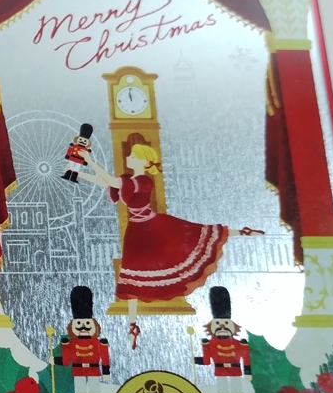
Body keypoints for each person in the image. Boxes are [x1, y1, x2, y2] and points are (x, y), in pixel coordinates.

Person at [72, 143, 261, 348]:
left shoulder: (143, 181)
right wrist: (78, 174)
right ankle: (133, 325)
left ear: (143, 161)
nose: (128, 158)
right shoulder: (128, 179)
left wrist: (89, 160)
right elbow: (105, 182)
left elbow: (110, 180)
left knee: (193, 233)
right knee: (131, 273)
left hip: (152, 226)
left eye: (133, 156)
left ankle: (241, 231)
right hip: (136, 230)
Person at [194, 287, 251, 393]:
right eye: (218, 323)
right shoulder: (210, 343)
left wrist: (248, 372)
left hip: (235, 371)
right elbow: (207, 361)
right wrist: (195, 359)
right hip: (220, 371)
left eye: (225, 323)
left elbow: (246, 358)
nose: (222, 326)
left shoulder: (239, 343)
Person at [54, 286, 111, 393]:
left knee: (95, 392)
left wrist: (106, 371)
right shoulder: (71, 343)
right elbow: (67, 360)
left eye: (87, 323)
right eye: (79, 323)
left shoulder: (98, 342)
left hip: (93, 370)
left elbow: (104, 357)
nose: (83, 327)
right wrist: (56, 359)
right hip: (78, 370)